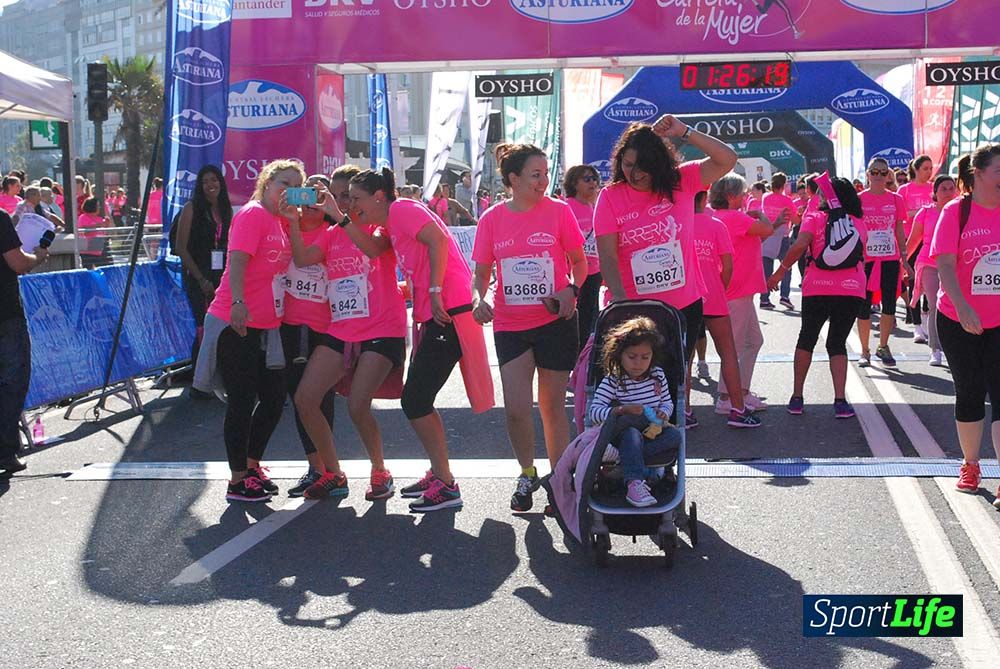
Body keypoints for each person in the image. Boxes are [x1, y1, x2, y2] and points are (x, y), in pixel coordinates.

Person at [352, 167, 493, 512]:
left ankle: (446, 483)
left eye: (356, 199)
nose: (353, 205)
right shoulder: (392, 219)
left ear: (378, 197)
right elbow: (374, 249)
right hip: (439, 312)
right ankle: (440, 474)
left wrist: (432, 290)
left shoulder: (402, 210)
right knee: (420, 399)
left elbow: (440, 241)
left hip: (449, 311)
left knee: (415, 399)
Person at [472, 144, 587, 513]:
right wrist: (479, 299)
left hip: (555, 320)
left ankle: (560, 478)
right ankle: (526, 473)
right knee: (516, 408)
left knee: (551, 406)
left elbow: (580, 262)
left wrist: (571, 289)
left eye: (546, 173)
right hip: (510, 323)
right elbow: (482, 272)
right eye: (535, 175)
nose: (543, 181)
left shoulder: (559, 211)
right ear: (513, 179)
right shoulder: (492, 219)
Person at [285, 167, 407, 502]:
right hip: (343, 327)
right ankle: (333, 473)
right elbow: (302, 257)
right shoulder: (331, 233)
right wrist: (293, 221)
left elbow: (372, 250)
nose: (341, 202)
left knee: (357, 404)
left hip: (381, 327)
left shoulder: (378, 226)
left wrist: (339, 217)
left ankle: (380, 469)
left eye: (348, 196)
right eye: (338, 196)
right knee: (305, 399)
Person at [594, 116, 737, 381]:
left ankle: (677, 422)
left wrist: (684, 131)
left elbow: (727, 159)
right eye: (627, 165)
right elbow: (608, 256)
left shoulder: (681, 181)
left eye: (643, 167)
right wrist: (622, 301)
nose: (634, 174)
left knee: (674, 384)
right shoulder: (611, 196)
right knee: (635, 386)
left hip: (683, 307)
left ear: (658, 163)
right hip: (635, 309)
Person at [199, 159, 299, 503]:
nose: (288, 191)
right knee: (241, 401)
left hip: (267, 324)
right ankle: (237, 479)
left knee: (273, 400)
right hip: (235, 320)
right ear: (267, 182)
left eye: (295, 186)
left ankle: (251, 465)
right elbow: (237, 261)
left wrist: (294, 222)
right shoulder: (253, 214)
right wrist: (238, 302)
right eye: (283, 183)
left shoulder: (281, 221)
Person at [930, 145, 1000, 507]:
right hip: (959, 319)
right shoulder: (956, 212)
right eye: (999, 170)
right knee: (970, 391)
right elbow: (944, 266)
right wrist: (964, 307)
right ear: (979, 173)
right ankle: (971, 465)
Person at [767, 176, 867, 418]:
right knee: (837, 342)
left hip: (817, 287)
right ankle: (840, 401)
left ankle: (797, 397)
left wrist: (779, 273)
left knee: (807, 338)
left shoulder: (814, 218)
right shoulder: (858, 221)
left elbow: (800, 246)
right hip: (851, 288)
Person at [711, 173, 786, 414]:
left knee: (753, 341)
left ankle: (740, 392)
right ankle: (726, 397)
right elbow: (766, 229)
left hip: (739, 291)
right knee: (734, 346)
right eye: (743, 194)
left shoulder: (722, 216)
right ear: (731, 196)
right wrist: (759, 214)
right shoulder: (734, 217)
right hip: (737, 292)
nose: (746, 198)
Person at [588, 316, 683, 507]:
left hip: (652, 430)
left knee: (675, 436)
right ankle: (634, 483)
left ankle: (625, 459)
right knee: (631, 435)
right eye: (632, 357)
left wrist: (664, 411)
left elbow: (667, 401)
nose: (638, 363)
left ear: (652, 357)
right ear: (620, 355)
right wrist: (622, 410)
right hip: (623, 430)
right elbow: (595, 412)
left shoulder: (657, 375)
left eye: (644, 357)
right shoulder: (614, 379)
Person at [692, 191, 761, 428]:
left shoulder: (677, 224)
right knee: (728, 351)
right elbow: (727, 265)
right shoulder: (715, 224)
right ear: (703, 200)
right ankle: (737, 409)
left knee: (684, 356)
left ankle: (685, 412)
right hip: (713, 295)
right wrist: (719, 287)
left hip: (687, 296)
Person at [0, 209, 49, 476]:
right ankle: (5, 451)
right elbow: (18, 263)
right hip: (5, 314)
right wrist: (38, 257)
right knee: (12, 383)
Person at [173, 165, 233, 374]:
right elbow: (181, 247)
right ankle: (200, 378)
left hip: (221, 277)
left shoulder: (226, 209)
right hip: (198, 276)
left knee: (222, 326)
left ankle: (219, 373)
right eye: (205, 181)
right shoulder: (191, 208)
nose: (210, 185)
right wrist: (201, 279)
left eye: (214, 180)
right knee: (203, 325)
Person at [856, 157, 910, 367]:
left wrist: (904, 258)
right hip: (866, 260)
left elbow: (899, 229)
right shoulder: (858, 199)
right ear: (867, 175)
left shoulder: (896, 199)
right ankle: (864, 350)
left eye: (883, 172)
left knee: (889, 303)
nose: (878, 176)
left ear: (888, 175)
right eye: (874, 172)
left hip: (889, 259)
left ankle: (883, 345)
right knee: (864, 305)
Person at [906, 175, 957, 367]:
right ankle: (935, 349)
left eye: (951, 188)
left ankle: (953, 348)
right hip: (929, 264)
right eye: (943, 188)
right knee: (936, 303)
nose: (948, 192)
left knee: (954, 305)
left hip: (956, 265)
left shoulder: (961, 211)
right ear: (935, 193)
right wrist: (903, 262)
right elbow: (913, 241)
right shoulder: (925, 213)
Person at [563, 163, 603, 345]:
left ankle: (585, 361)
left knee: (590, 320)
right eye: (586, 179)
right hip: (571, 274)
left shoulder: (596, 207)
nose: (592, 182)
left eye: (595, 178)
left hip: (594, 271)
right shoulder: (566, 206)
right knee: (573, 320)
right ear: (574, 183)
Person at [897, 155, 935, 338]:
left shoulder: (934, 187)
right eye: (925, 168)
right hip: (911, 238)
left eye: (930, 168)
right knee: (913, 279)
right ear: (916, 169)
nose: (929, 172)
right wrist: (918, 212)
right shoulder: (905, 189)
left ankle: (927, 317)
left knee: (931, 280)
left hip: (930, 239)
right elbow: (900, 214)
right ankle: (917, 325)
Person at [759, 173, 799, 310]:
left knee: (766, 268)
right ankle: (784, 296)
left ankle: (764, 299)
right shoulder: (787, 201)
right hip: (782, 237)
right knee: (786, 266)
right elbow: (796, 220)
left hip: (767, 234)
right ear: (783, 185)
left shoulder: (765, 197)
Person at [76, 197, 112, 268]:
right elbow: (84, 232)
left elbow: (105, 233)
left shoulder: (100, 219)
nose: (99, 207)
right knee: (88, 271)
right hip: (87, 251)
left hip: (99, 249)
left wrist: (107, 226)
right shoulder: (83, 217)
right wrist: (99, 225)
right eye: (97, 206)